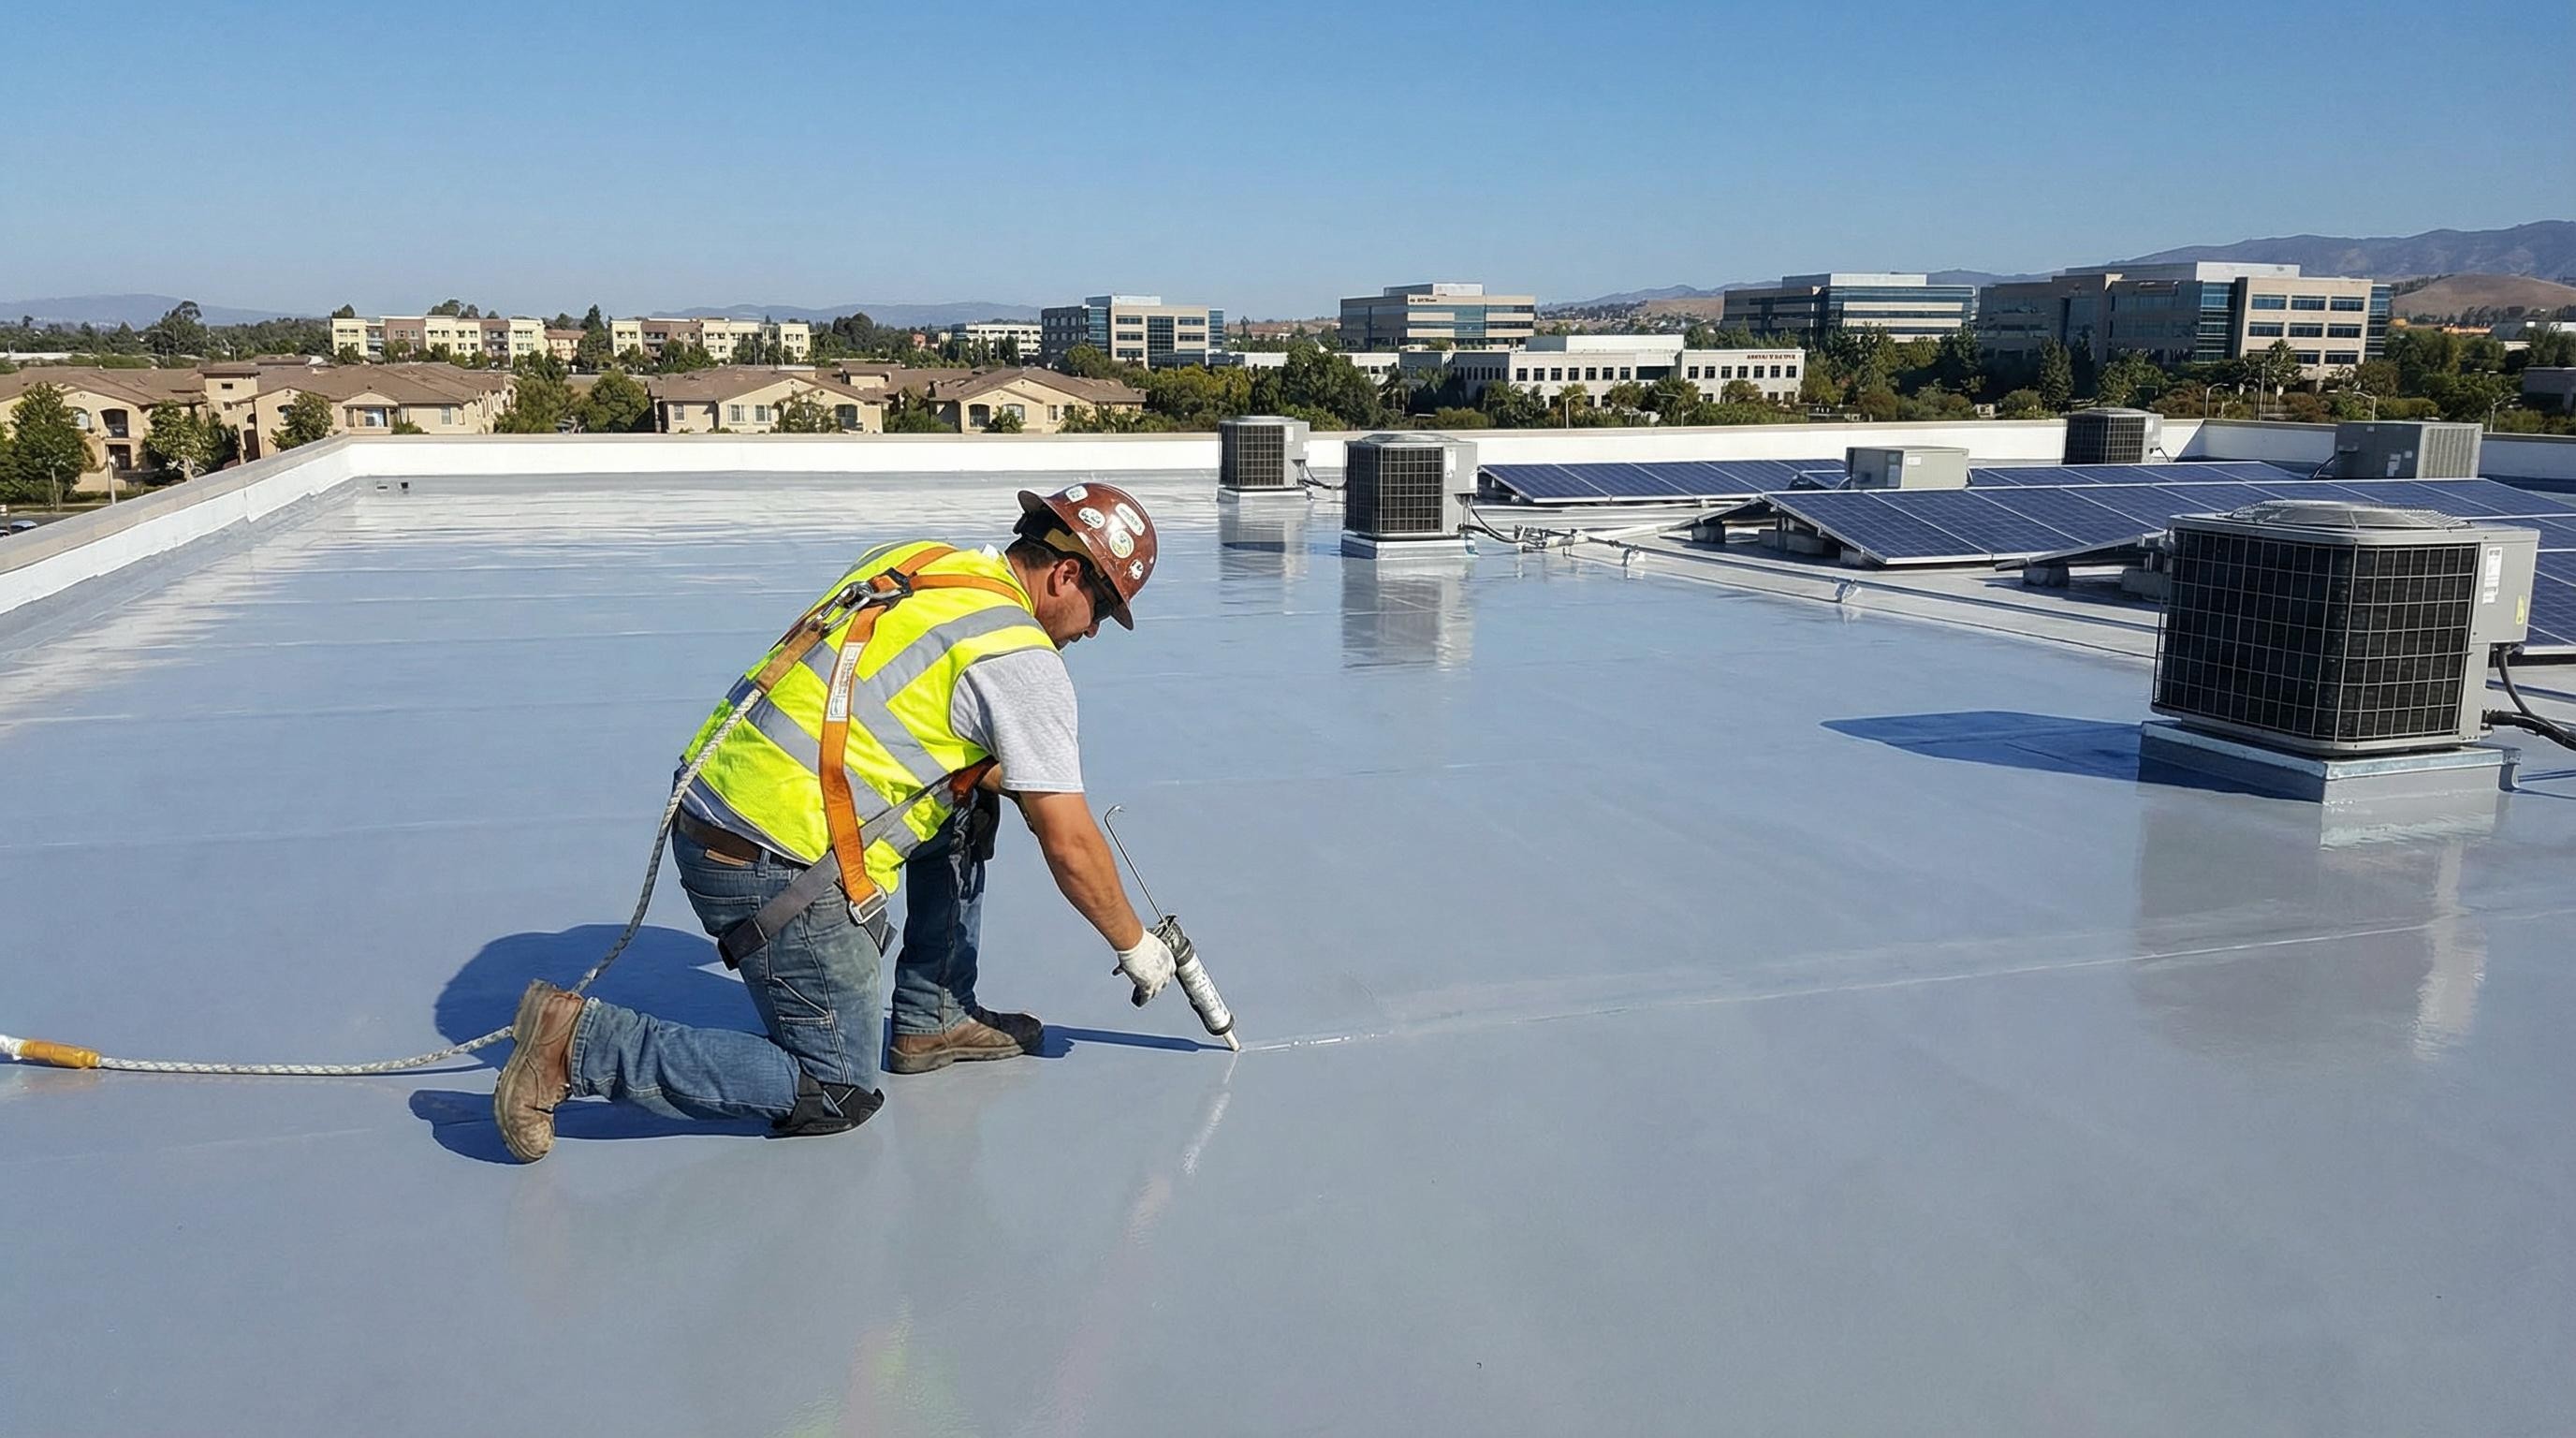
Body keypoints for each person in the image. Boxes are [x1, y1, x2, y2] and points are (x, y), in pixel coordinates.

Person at [491, 483, 1177, 1162]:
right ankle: (576, 1045)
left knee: (971, 798)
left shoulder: (922, 562)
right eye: (1101, 609)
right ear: (1064, 574)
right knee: (836, 1087)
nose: (1091, 631)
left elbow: (870, 708)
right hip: (776, 865)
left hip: (715, 809)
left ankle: (932, 1019)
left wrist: (1003, 781)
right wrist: (1134, 944)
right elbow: (1070, 841)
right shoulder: (1019, 657)